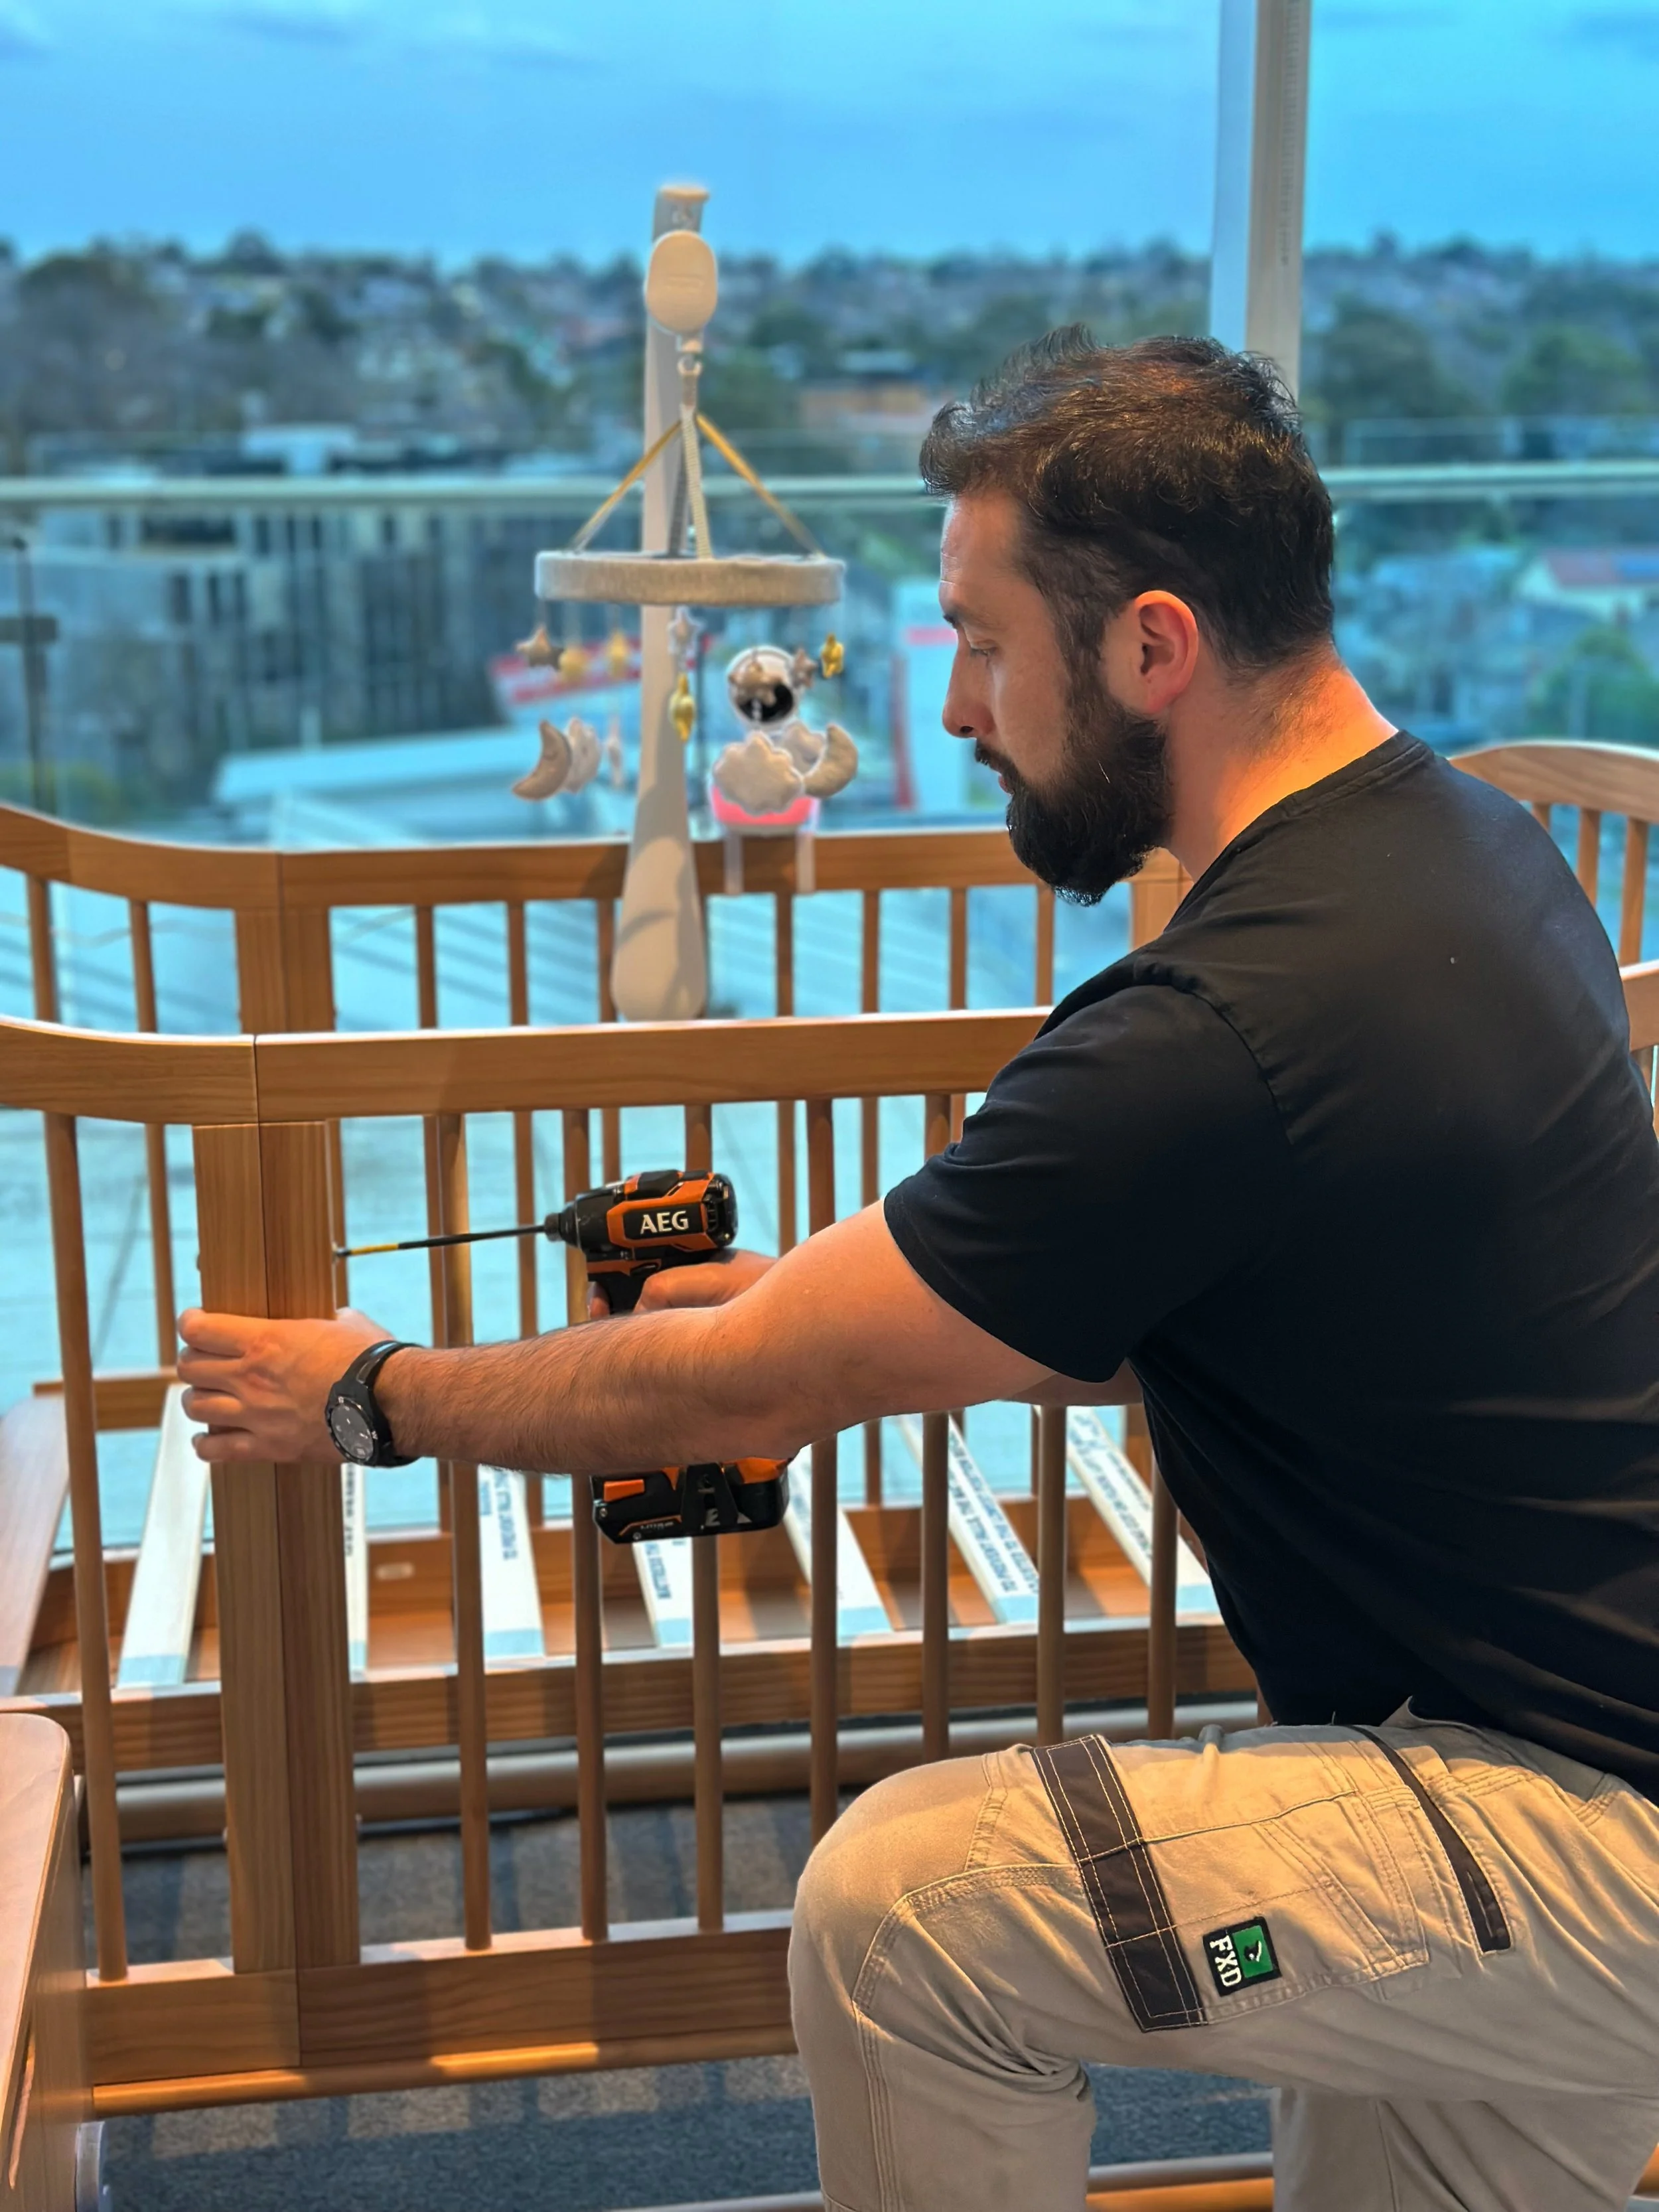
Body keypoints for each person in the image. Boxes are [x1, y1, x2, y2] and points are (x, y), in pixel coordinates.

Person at [178, 331, 1659, 2212]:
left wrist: (369, 1390)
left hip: (1562, 1854)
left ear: (1148, 646)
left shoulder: (1222, 1017)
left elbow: (737, 1395)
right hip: (1527, 1811)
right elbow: (1197, 1277)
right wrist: (803, 1298)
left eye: (977, 640)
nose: (958, 705)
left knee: (912, 1919)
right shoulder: (1469, 854)